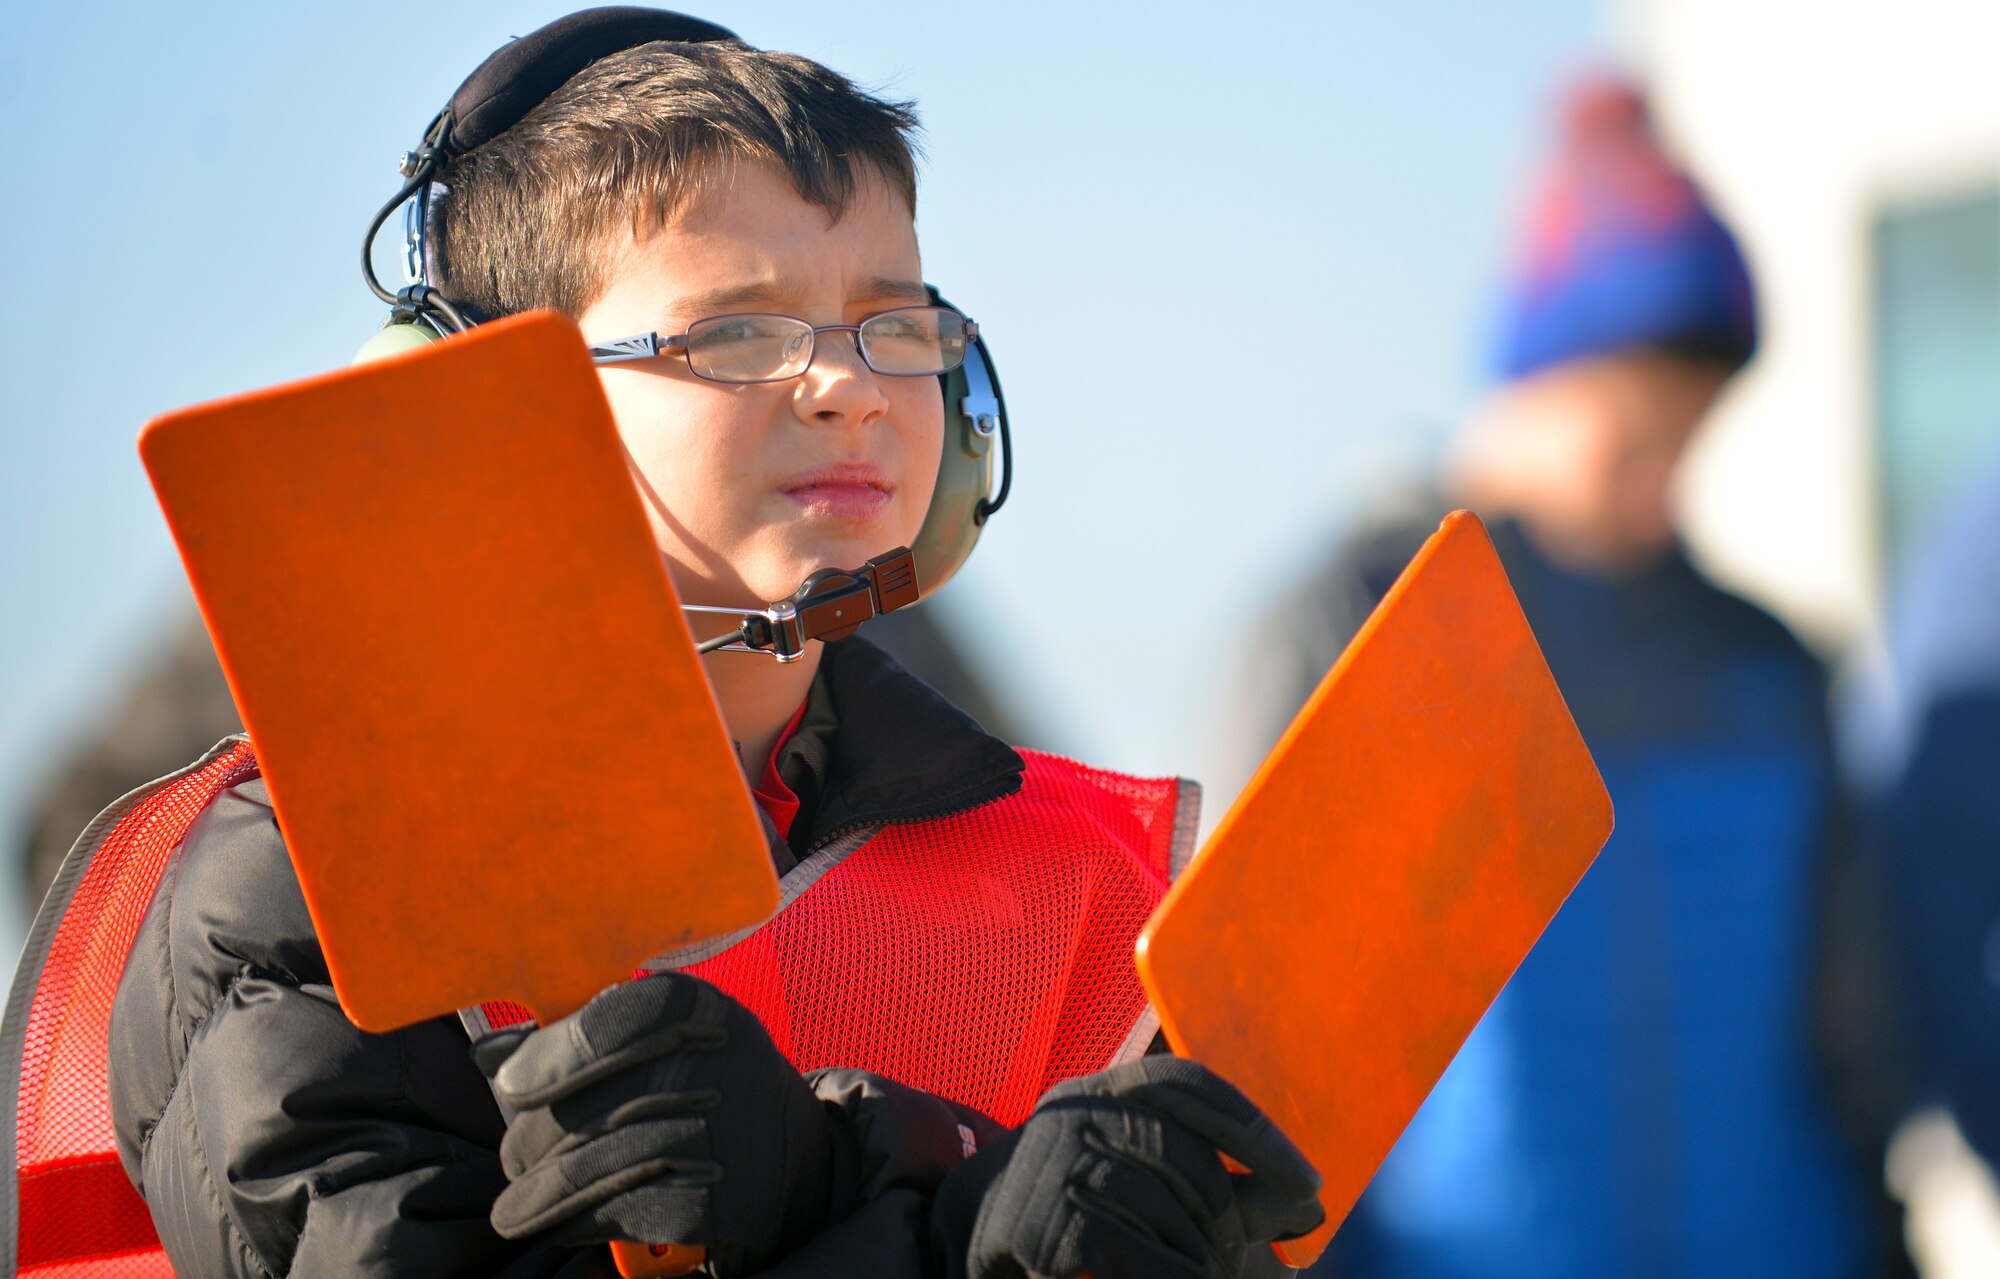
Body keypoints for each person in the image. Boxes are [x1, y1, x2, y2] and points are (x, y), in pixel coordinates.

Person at [96, 10, 1323, 1278]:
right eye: (736, 333)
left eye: (894, 327)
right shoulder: (318, 881)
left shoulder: (1074, 876)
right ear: (489, 416)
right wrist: (925, 1208)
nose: (845, 384)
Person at [1229, 77, 1911, 1279]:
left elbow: (1848, 1044)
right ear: (1526, 384)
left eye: (1689, 429)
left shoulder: (1770, 671)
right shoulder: (1359, 635)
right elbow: (1249, 1040)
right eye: (1628, 427)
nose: (1663, 474)